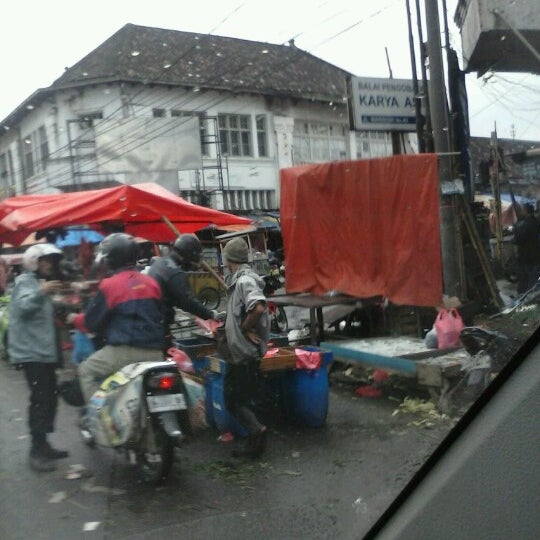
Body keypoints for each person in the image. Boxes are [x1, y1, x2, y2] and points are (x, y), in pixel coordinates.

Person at [72, 233, 164, 404]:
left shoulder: (109, 285)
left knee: (86, 370)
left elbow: (90, 323)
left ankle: (99, 417)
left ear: (110, 259)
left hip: (124, 353)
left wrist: (72, 319)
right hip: (156, 352)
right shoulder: (151, 282)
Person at [8, 243, 69, 472]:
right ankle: (36, 450)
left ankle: (44, 445)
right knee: (41, 399)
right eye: (45, 261)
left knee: (49, 397)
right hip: (32, 354)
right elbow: (23, 306)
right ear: (34, 262)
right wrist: (42, 292)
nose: (50, 265)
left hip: (43, 352)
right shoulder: (26, 282)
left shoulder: (37, 284)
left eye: (51, 261)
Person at [221, 236, 270, 458]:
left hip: (244, 353)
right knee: (240, 398)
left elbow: (257, 308)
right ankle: (254, 443)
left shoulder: (244, 281)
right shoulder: (239, 280)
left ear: (229, 259)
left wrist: (243, 327)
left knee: (233, 399)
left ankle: (257, 431)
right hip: (242, 351)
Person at [147, 234, 221, 348]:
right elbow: (187, 301)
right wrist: (211, 314)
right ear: (188, 256)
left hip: (150, 323)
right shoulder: (173, 272)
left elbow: (178, 299)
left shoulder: (160, 263)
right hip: (158, 327)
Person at [513, 203, 540, 295]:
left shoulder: (525, 224)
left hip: (526, 257)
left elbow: (518, 239)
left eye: (522, 209)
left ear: (526, 211)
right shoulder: (536, 222)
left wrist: (516, 227)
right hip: (535, 257)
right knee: (533, 282)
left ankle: (523, 300)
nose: (521, 211)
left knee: (524, 282)